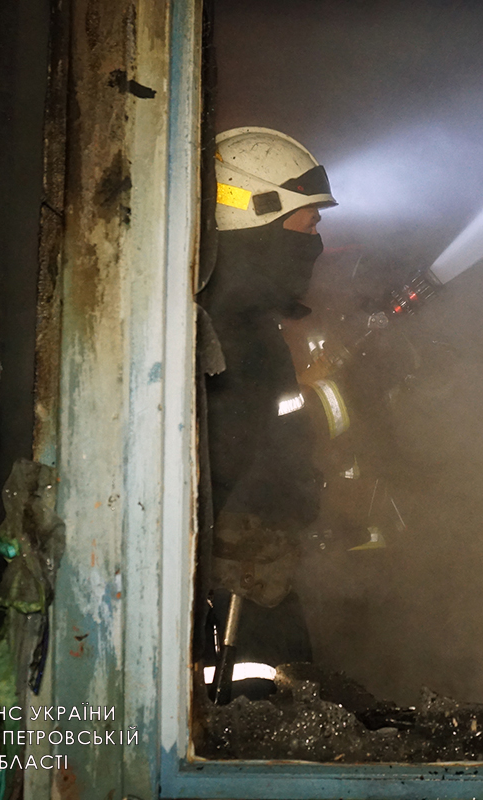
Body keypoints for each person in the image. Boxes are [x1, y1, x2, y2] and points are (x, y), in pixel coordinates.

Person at [197, 127, 336, 700]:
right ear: (256, 215)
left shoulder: (253, 329)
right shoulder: (216, 332)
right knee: (257, 706)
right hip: (236, 605)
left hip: (258, 581)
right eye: (309, 224)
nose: (317, 241)